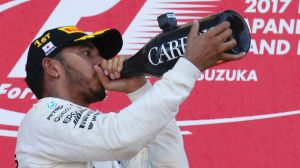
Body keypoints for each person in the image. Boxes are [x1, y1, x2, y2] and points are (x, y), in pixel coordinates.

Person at [15, 20, 244, 168]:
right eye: (86, 53)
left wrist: (139, 89)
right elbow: (119, 138)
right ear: (52, 67)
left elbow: (170, 165)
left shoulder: (101, 147)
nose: (101, 62)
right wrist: (188, 67)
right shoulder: (41, 118)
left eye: (99, 54)